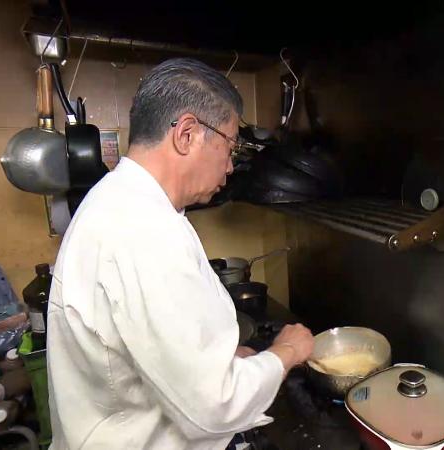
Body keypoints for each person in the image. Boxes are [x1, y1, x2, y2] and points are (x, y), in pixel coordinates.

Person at [46, 58, 315, 450]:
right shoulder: (142, 228)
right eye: (230, 147)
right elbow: (214, 407)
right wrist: (287, 351)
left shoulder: (121, 202)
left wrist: (222, 361)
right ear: (187, 134)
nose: (230, 166)